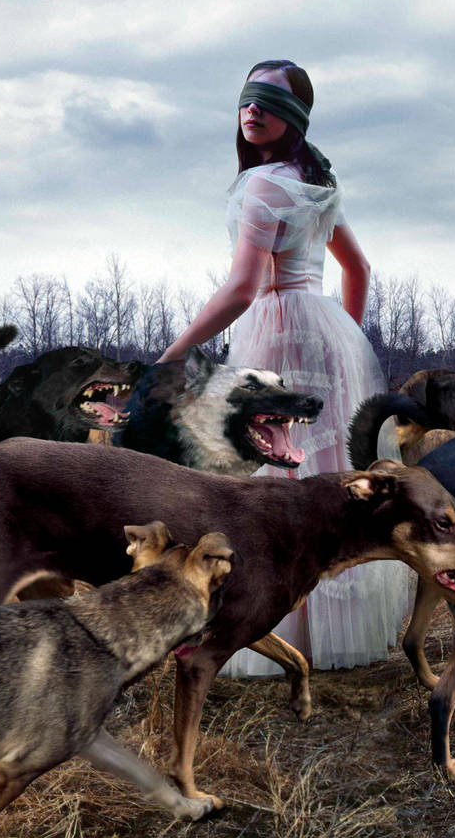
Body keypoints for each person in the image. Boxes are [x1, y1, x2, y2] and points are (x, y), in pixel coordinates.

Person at [156, 59, 411, 673]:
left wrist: (174, 353)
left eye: (269, 101)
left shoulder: (265, 184)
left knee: (268, 477)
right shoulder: (312, 180)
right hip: (322, 328)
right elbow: (358, 271)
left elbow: (243, 289)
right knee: (327, 471)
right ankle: (327, 635)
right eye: (247, 99)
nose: (252, 110)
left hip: (274, 325)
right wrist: (346, 336)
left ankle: (274, 632)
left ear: (294, 117)